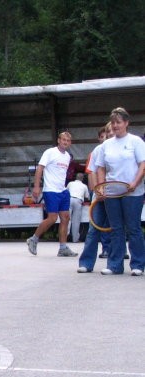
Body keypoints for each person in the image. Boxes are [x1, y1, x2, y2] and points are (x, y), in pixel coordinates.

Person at [95, 107, 145, 276]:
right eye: (113, 122)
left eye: (119, 122)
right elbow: (100, 167)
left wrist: (134, 183)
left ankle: (138, 264)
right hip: (112, 193)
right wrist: (101, 187)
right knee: (115, 228)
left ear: (126, 123)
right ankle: (115, 265)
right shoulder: (106, 145)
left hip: (133, 192)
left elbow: (143, 165)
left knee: (133, 228)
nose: (115, 125)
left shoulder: (136, 141)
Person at [26, 131, 78, 257]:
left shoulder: (67, 157)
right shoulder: (50, 152)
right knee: (53, 218)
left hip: (63, 190)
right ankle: (33, 239)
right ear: (58, 140)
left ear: (70, 143)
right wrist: (37, 187)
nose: (65, 142)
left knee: (65, 217)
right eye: (63, 139)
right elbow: (40, 168)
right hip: (50, 190)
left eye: (68, 140)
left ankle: (63, 248)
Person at [84, 125, 112, 258]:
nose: (107, 136)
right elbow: (92, 172)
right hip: (100, 193)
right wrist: (96, 190)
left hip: (116, 194)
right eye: (105, 134)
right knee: (95, 227)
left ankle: (116, 251)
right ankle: (87, 261)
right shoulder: (97, 150)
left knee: (116, 225)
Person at [66, 173, 89, 243]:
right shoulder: (84, 186)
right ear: (82, 179)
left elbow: (66, 192)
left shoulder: (70, 183)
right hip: (78, 201)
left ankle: (64, 237)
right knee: (76, 221)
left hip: (69, 200)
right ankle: (75, 239)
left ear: (75, 177)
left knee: (67, 220)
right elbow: (87, 197)